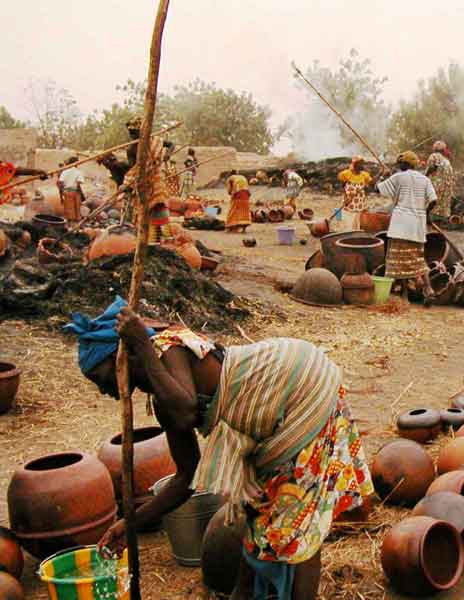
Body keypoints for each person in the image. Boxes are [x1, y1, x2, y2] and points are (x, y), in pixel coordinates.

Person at [65, 297, 373, 600]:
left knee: (294, 525)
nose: (102, 390)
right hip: (274, 419)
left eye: (100, 376)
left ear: (122, 355)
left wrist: (143, 347)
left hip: (302, 388)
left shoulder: (166, 349)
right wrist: (130, 522)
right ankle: (246, 592)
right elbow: (187, 477)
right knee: (262, 515)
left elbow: (186, 409)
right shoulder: (162, 400)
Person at [375, 151, 435, 299]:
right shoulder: (424, 179)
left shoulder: (398, 177)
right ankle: (428, 289)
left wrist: (382, 175)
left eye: (399, 163)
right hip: (417, 226)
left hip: (400, 224)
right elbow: (434, 200)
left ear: (403, 164)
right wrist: (426, 214)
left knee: (398, 259)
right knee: (418, 259)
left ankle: (404, 294)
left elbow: (377, 188)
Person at [120, 116, 175, 243]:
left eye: (135, 132)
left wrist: (167, 154)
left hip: (156, 180)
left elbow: (171, 144)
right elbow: (134, 170)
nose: (132, 136)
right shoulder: (131, 149)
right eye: (131, 133)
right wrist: (127, 184)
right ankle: (149, 242)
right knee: (145, 213)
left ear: (143, 131)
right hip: (142, 184)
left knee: (160, 208)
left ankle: (164, 239)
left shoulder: (154, 141)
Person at [337, 156, 373, 231]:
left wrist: (381, 174)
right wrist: (345, 198)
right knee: (348, 226)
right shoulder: (346, 174)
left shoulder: (364, 175)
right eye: (361, 164)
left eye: (363, 164)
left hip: (360, 205)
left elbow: (372, 183)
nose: (363, 166)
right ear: (355, 164)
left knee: (358, 226)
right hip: (349, 205)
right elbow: (342, 187)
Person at [425, 141, 455, 221]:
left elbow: (430, 168)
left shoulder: (433, 156)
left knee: (432, 200)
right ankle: (442, 219)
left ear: (434, 148)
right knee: (443, 203)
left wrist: (425, 176)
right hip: (447, 187)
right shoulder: (447, 161)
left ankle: (430, 219)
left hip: (436, 184)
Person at [57, 156, 86, 223]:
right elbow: (79, 182)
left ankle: (70, 224)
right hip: (75, 192)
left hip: (67, 192)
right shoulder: (78, 172)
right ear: (77, 163)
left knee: (69, 210)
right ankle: (77, 225)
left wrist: (62, 193)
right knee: (77, 210)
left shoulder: (65, 171)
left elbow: (60, 182)